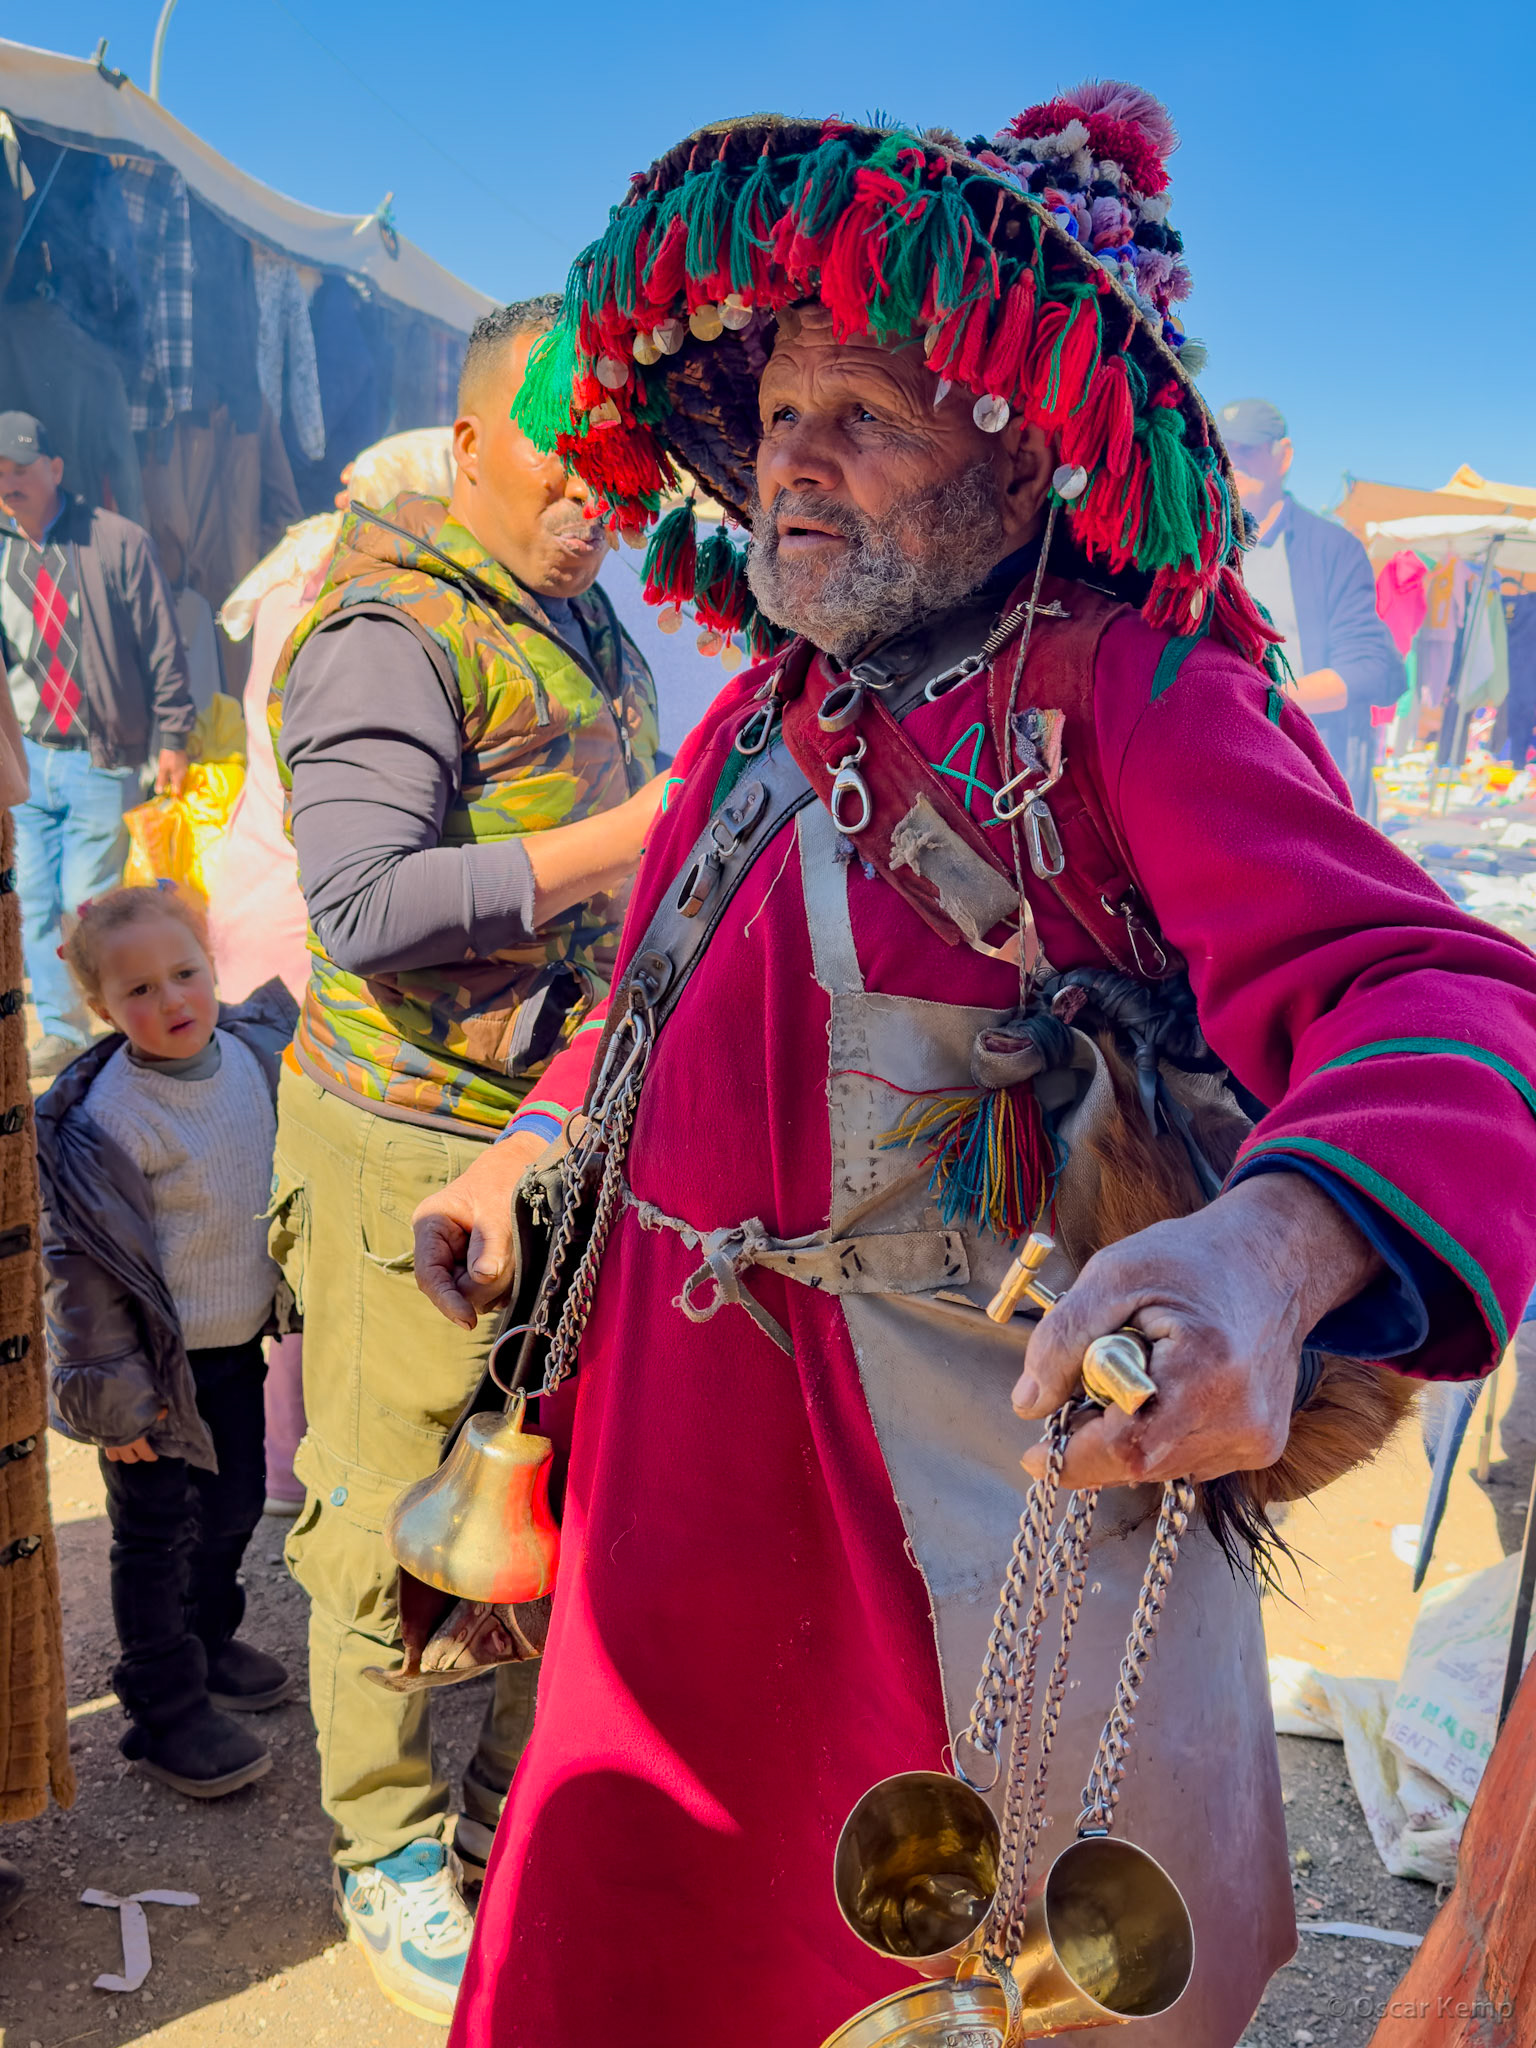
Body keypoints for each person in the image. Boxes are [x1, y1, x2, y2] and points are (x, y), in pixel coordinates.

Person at [412, 89, 1536, 2048]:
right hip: (671, 1500)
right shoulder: (758, 719)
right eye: (778, 416)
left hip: (954, 1538)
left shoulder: (1135, 693)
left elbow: (1441, 996)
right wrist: (524, 1144)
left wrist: (1270, 1256)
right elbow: (645, 998)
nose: (795, 462)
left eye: (869, 412)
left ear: (1025, 450)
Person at [265, 298, 663, 2024]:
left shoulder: (582, 610)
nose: (593, 485)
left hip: (552, 1125)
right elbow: (358, 902)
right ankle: (386, 1845)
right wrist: (629, 842)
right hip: (406, 1134)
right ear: (474, 436)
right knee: (386, 1504)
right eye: (559, 448)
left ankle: (502, 1801)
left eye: (615, 455)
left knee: (535, 1485)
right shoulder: (390, 620)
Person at [36, 884, 297, 1798]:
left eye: (184, 974)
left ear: (212, 960)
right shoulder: (111, 1119)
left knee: (231, 1510)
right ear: (101, 1008)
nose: (172, 1001)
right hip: (153, 1376)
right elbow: (81, 1273)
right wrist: (116, 1406)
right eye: (138, 992)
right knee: (155, 1533)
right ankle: (164, 1705)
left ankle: (208, 1640)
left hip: (235, 1348)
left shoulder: (255, 1056)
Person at [0, 411, 196, 1074]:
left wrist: (174, 732)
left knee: (87, 903)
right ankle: (59, 1028)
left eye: (21, 468)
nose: (9, 481)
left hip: (98, 756)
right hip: (26, 757)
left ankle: (113, 1026)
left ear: (55, 469)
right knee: (29, 899)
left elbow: (164, 644)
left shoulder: (116, 541)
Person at [1218, 397, 1405, 814]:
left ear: (1283, 456)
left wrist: (1262, 700)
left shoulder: (1333, 547)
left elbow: (1375, 668)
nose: (1236, 461)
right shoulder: (1201, 547)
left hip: (1312, 771)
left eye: (1250, 448)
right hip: (1226, 766)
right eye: (1227, 447)